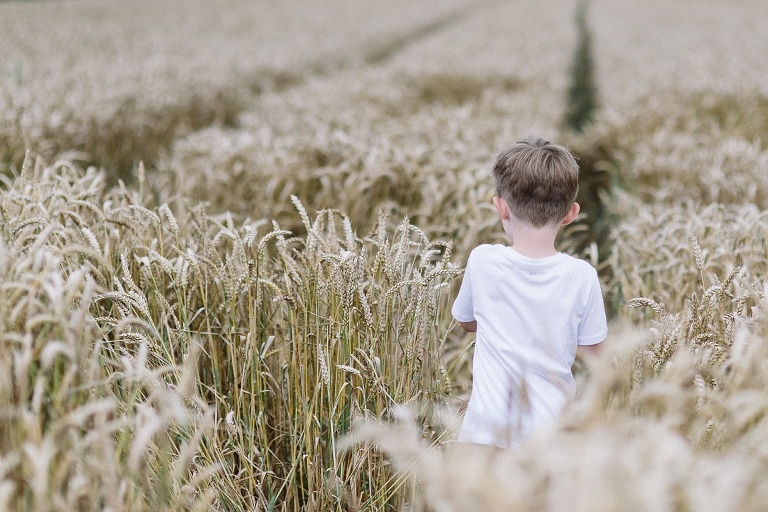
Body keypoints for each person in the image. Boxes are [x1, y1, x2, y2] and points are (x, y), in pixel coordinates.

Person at [452, 136, 607, 449]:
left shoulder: (483, 261)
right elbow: (594, 355)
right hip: (549, 440)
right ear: (571, 213)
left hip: (484, 437)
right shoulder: (583, 276)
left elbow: (466, 322)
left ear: (501, 207)